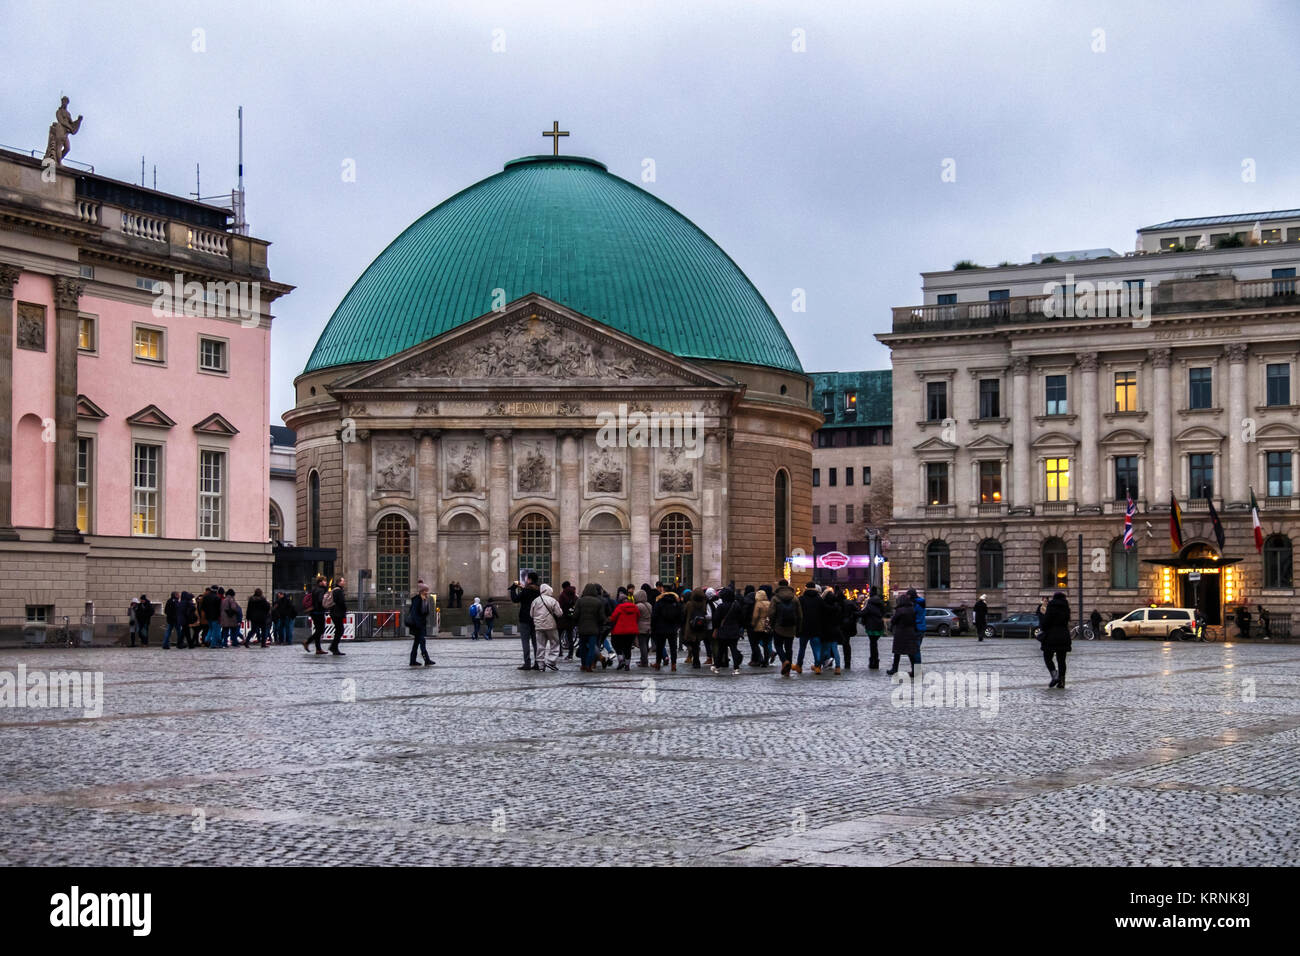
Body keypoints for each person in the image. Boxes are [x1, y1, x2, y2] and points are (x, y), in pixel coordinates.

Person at [768, 580, 802, 677]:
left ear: (779, 586)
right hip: (791, 627)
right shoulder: (794, 598)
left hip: (778, 627)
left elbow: (771, 613)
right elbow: (800, 615)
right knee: (789, 648)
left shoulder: (775, 598)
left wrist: (771, 624)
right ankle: (787, 671)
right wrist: (798, 628)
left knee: (778, 646)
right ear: (788, 586)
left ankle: (784, 661)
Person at [1038, 590, 1072, 688]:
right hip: (1064, 636)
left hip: (1051, 636)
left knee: (1047, 657)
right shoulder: (1066, 608)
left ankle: (1054, 675)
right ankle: (1062, 682)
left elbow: (1046, 622)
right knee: (1062, 660)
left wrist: (1043, 626)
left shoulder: (1051, 606)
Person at [509, 574, 541, 670]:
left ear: (530, 580)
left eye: (527, 579)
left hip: (525, 619)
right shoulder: (540, 590)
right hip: (537, 618)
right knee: (536, 643)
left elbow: (515, 599)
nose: (526, 580)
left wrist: (513, 589)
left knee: (525, 642)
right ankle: (537, 663)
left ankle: (527, 663)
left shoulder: (526, 590)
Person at [887, 591, 920, 678]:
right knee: (911, 653)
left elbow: (893, 621)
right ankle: (914, 671)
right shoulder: (912, 609)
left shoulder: (899, 610)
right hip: (910, 633)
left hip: (900, 633)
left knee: (897, 652)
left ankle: (894, 669)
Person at [531, 583, 564, 671]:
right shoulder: (552, 600)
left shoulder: (535, 600)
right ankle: (551, 662)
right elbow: (559, 613)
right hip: (551, 626)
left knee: (540, 646)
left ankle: (541, 665)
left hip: (538, 626)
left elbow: (531, 614)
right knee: (555, 643)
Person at [650, 586, 684, 671]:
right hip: (672, 628)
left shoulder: (659, 602)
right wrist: (678, 625)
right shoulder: (676, 603)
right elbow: (680, 616)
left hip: (660, 628)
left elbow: (654, 616)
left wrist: (653, 627)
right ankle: (673, 665)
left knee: (660, 647)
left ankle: (658, 664)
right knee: (673, 648)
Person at [576, 583, 606, 672]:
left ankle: (583, 665)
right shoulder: (598, 602)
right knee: (592, 648)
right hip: (593, 629)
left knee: (582, 647)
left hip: (582, 629)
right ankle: (589, 666)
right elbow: (601, 617)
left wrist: (577, 623)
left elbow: (575, 615)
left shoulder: (580, 601)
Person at [795, 582, 823, 674]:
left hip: (804, 627)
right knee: (816, 648)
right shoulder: (819, 599)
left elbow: (798, 614)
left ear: (806, 588)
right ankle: (818, 667)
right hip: (817, 627)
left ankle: (799, 666)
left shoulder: (801, 599)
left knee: (802, 648)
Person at [609, 593, 640, 670]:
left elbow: (613, 618)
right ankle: (627, 665)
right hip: (632, 631)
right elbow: (638, 616)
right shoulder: (635, 607)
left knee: (616, 645)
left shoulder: (619, 607)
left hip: (619, 631)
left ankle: (621, 659)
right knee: (628, 647)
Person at [407, 583, 436, 666]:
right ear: (422, 591)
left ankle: (412, 661)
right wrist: (418, 623)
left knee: (416, 643)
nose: (427, 592)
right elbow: (414, 613)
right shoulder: (417, 599)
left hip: (421, 624)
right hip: (417, 625)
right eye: (426, 591)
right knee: (422, 641)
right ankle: (426, 660)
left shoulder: (424, 599)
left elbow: (425, 612)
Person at [683, 588, 711, 669]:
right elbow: (705, 613)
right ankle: (696, 660)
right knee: (697, 643)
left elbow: (684, 614)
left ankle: (696, 661)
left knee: (693, 644)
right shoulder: (703, 604)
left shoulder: (689, 604)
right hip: (700, 626)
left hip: (691, 626)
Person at [819, 586, 843, 675]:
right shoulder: (837, 607)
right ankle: (838, 667)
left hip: (826, 630)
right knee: (835, 649)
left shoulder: (823, 607)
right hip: (835, 629)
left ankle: (819, 665)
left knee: (824, 649)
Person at [861, 588, 885, 669]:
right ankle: (875, 661)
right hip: (879, 626)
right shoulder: (880, 603)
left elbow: (863, 613)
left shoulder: (869, 604)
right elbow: (883, 612)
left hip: (871, 627)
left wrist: (854, 613)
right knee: (874, 644)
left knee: (873, 644)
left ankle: (873, 662)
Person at [304, 577, 328, 655]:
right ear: (320, 582)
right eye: (324, 581)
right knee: (320, 630)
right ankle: (307, 642)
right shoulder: (321, 590)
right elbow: (321, 600)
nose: (326, 582)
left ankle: (318, 649)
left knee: (318, 630)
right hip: (318, 612)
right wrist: (327, 604)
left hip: (315, 612)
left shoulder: (315, 589)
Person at [750, 585, 773, 666]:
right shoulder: (770, 603)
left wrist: (753, 624)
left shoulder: (758, 604)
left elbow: (755, 616)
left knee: (755, 643)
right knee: (766, 645)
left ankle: (760, 659)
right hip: (768, 625)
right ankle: (766, 661)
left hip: (759, 626)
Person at [558, 582, 578, 658]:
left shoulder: (562, 595)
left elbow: (559, 606)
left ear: (563, 587)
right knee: (570, 638)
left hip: (562, 619)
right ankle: (570, 654)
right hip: (570, 619)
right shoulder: (575, 595)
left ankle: (560, 652)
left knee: (558, 636)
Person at [635, 587, 653, 667]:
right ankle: (643, 659)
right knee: (645, 644)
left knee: (642, 645)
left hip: (641, 628)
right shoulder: (649, 605)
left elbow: (636, 617)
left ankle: (644, 661)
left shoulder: (638, 606)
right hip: (649, 627)